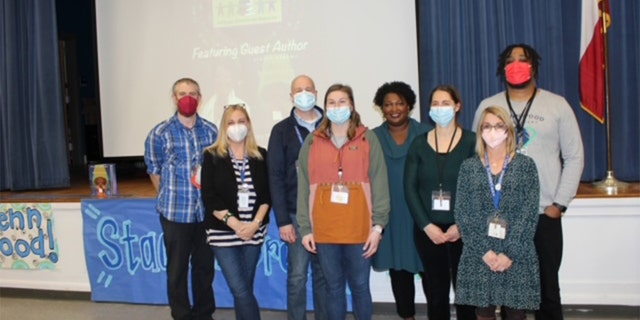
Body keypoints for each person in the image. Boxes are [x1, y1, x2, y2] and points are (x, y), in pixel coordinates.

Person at [472, 44, 585, 320]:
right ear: (502, 69)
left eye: (523, 60)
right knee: (504, 290)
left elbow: (575, 156)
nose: (516, 64)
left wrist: (559, 204)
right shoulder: (488, 107)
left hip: (543, 214)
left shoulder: (557, 105)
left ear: (534, 66)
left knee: (547, 289)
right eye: (510, 60)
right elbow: (477, 158)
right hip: (501, 217)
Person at [297, 83, 390, 320]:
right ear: (325, 108)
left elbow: (380, 184)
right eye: (331, 103)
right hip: (325, 232)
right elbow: (304, 189)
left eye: (342, 102)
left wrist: (377, 227)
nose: (336, 107)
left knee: (360, 287)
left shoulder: (368, 139)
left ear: (351, 106)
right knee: (334, 288)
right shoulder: (311, 141)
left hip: (360, 231)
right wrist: (306, 229)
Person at [455, 106, 541, 319]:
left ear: (508, 130)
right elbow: (462, 213)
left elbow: (528, 214)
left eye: (498, 125)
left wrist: (509, 253)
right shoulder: (469, 167)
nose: (492, 131)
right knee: (483, 312)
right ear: (480, 131)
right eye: (487, 126)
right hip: (479, 253)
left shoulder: (526, 166)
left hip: (516, 252)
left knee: (515, 313)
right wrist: (485, 251)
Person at [144, 77, 217, 320]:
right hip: (175, 212)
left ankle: (204, 312)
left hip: (205, 212)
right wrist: (168, 196)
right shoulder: (160, 133)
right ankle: (182, 314)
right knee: (177, 269)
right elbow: (154, 171)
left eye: (193, 93)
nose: (188, 98)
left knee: (205, 267)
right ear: (174, 98)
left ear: (200, 98)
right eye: (182, 93)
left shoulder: (211, 131)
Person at [404, 85, 476, 320]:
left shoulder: (472, 143)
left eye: (445, 103)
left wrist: (462, 225)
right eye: (435, 103)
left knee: (466, 294)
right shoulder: (418, 143)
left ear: (457, 106)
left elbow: (479, 190)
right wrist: (426, 226)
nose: (440, 108)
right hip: (428, 231)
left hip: (464, 230)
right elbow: (410, 188)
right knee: (436, 292)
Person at [201, 104, 271, 320]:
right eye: (231, 122)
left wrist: (254, 224)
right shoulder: (212, 155)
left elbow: (267, 195)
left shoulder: (260, 155)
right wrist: (235, 224)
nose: (237, 126)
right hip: (223, 232)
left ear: (248, 124)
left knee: (245, 288)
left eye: (241, 121)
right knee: (240, 288)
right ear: (224, 127)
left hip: (254, 230)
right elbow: (209, 197)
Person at [267, 75, 328, 320]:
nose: (304, 94)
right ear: (292, 97)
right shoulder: (281, 130)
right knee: (297, 276)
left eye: (308, 89)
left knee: (325, 275)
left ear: (316, 91)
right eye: (298, 90)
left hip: (328, 213)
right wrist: (283, 221)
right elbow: (275, 177)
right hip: (295, 212)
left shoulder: (331, 125)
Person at [369, 81, 431, 320]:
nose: (394, 108)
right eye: (388, 104)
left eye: (399, 103)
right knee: (398, 271)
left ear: (409, 106)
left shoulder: (427, 133)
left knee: (430, 270)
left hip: (422, 214)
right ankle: (407, 316)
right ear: (381, 108)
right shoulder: (372, 138)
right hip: (390, 214)